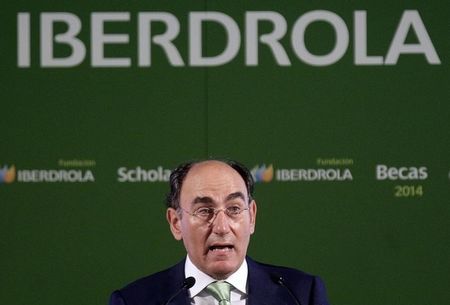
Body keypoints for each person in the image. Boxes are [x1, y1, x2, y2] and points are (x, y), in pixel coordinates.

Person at [109, 159, 330, 305]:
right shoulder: (133, 301)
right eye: (204, 211)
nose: (222, 227)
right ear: (176, 223)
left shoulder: (301, 294)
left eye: (234, 209)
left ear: (251, 216)